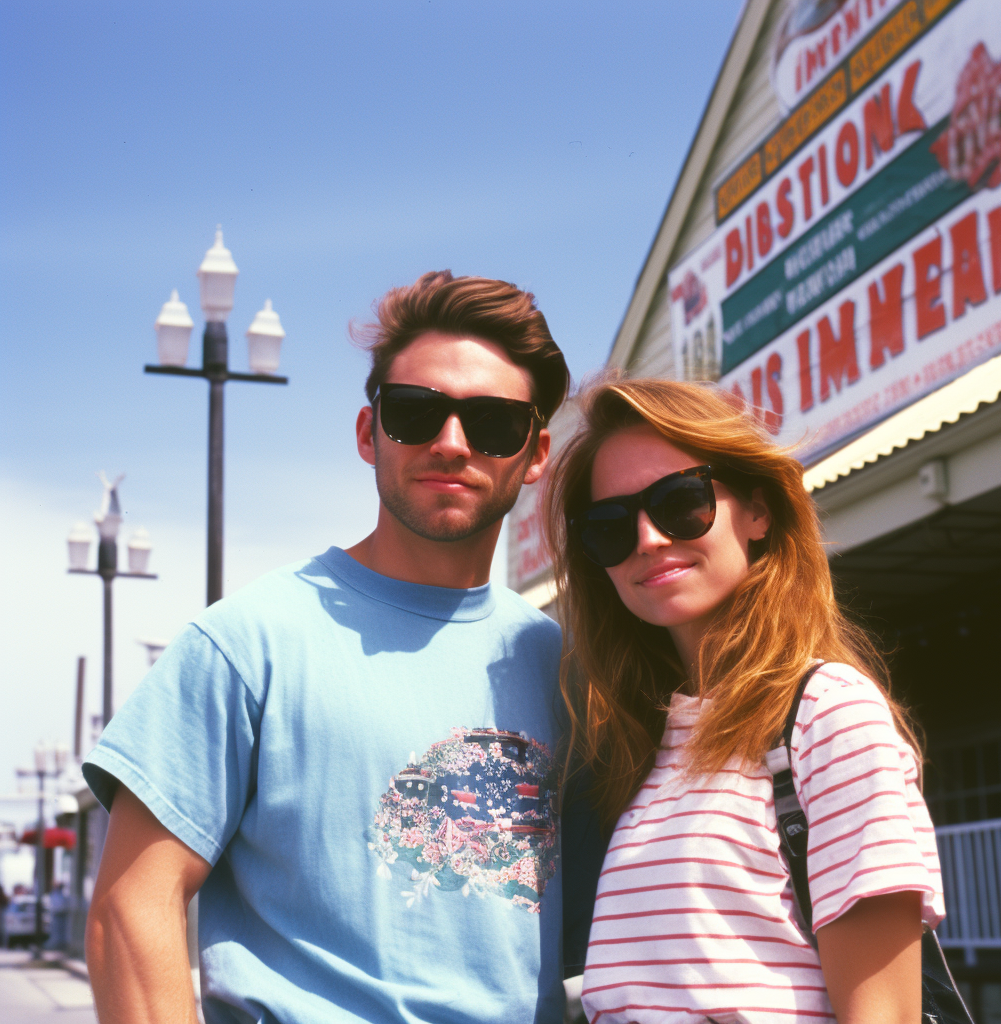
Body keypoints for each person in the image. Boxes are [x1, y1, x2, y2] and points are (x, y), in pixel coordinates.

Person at [83, 270, 572, 1024]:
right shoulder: (247, 642)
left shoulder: (561, 664)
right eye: (416, 413)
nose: (451, 443)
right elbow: (129, 908)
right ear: (367, 432)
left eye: (493, 423)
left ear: (536, 453)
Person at [544, 376, 944, 1024]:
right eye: (609, 525)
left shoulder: (828, 715)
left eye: (680, 501)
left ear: (758, 510)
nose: (646, 538)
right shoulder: (644, 748)